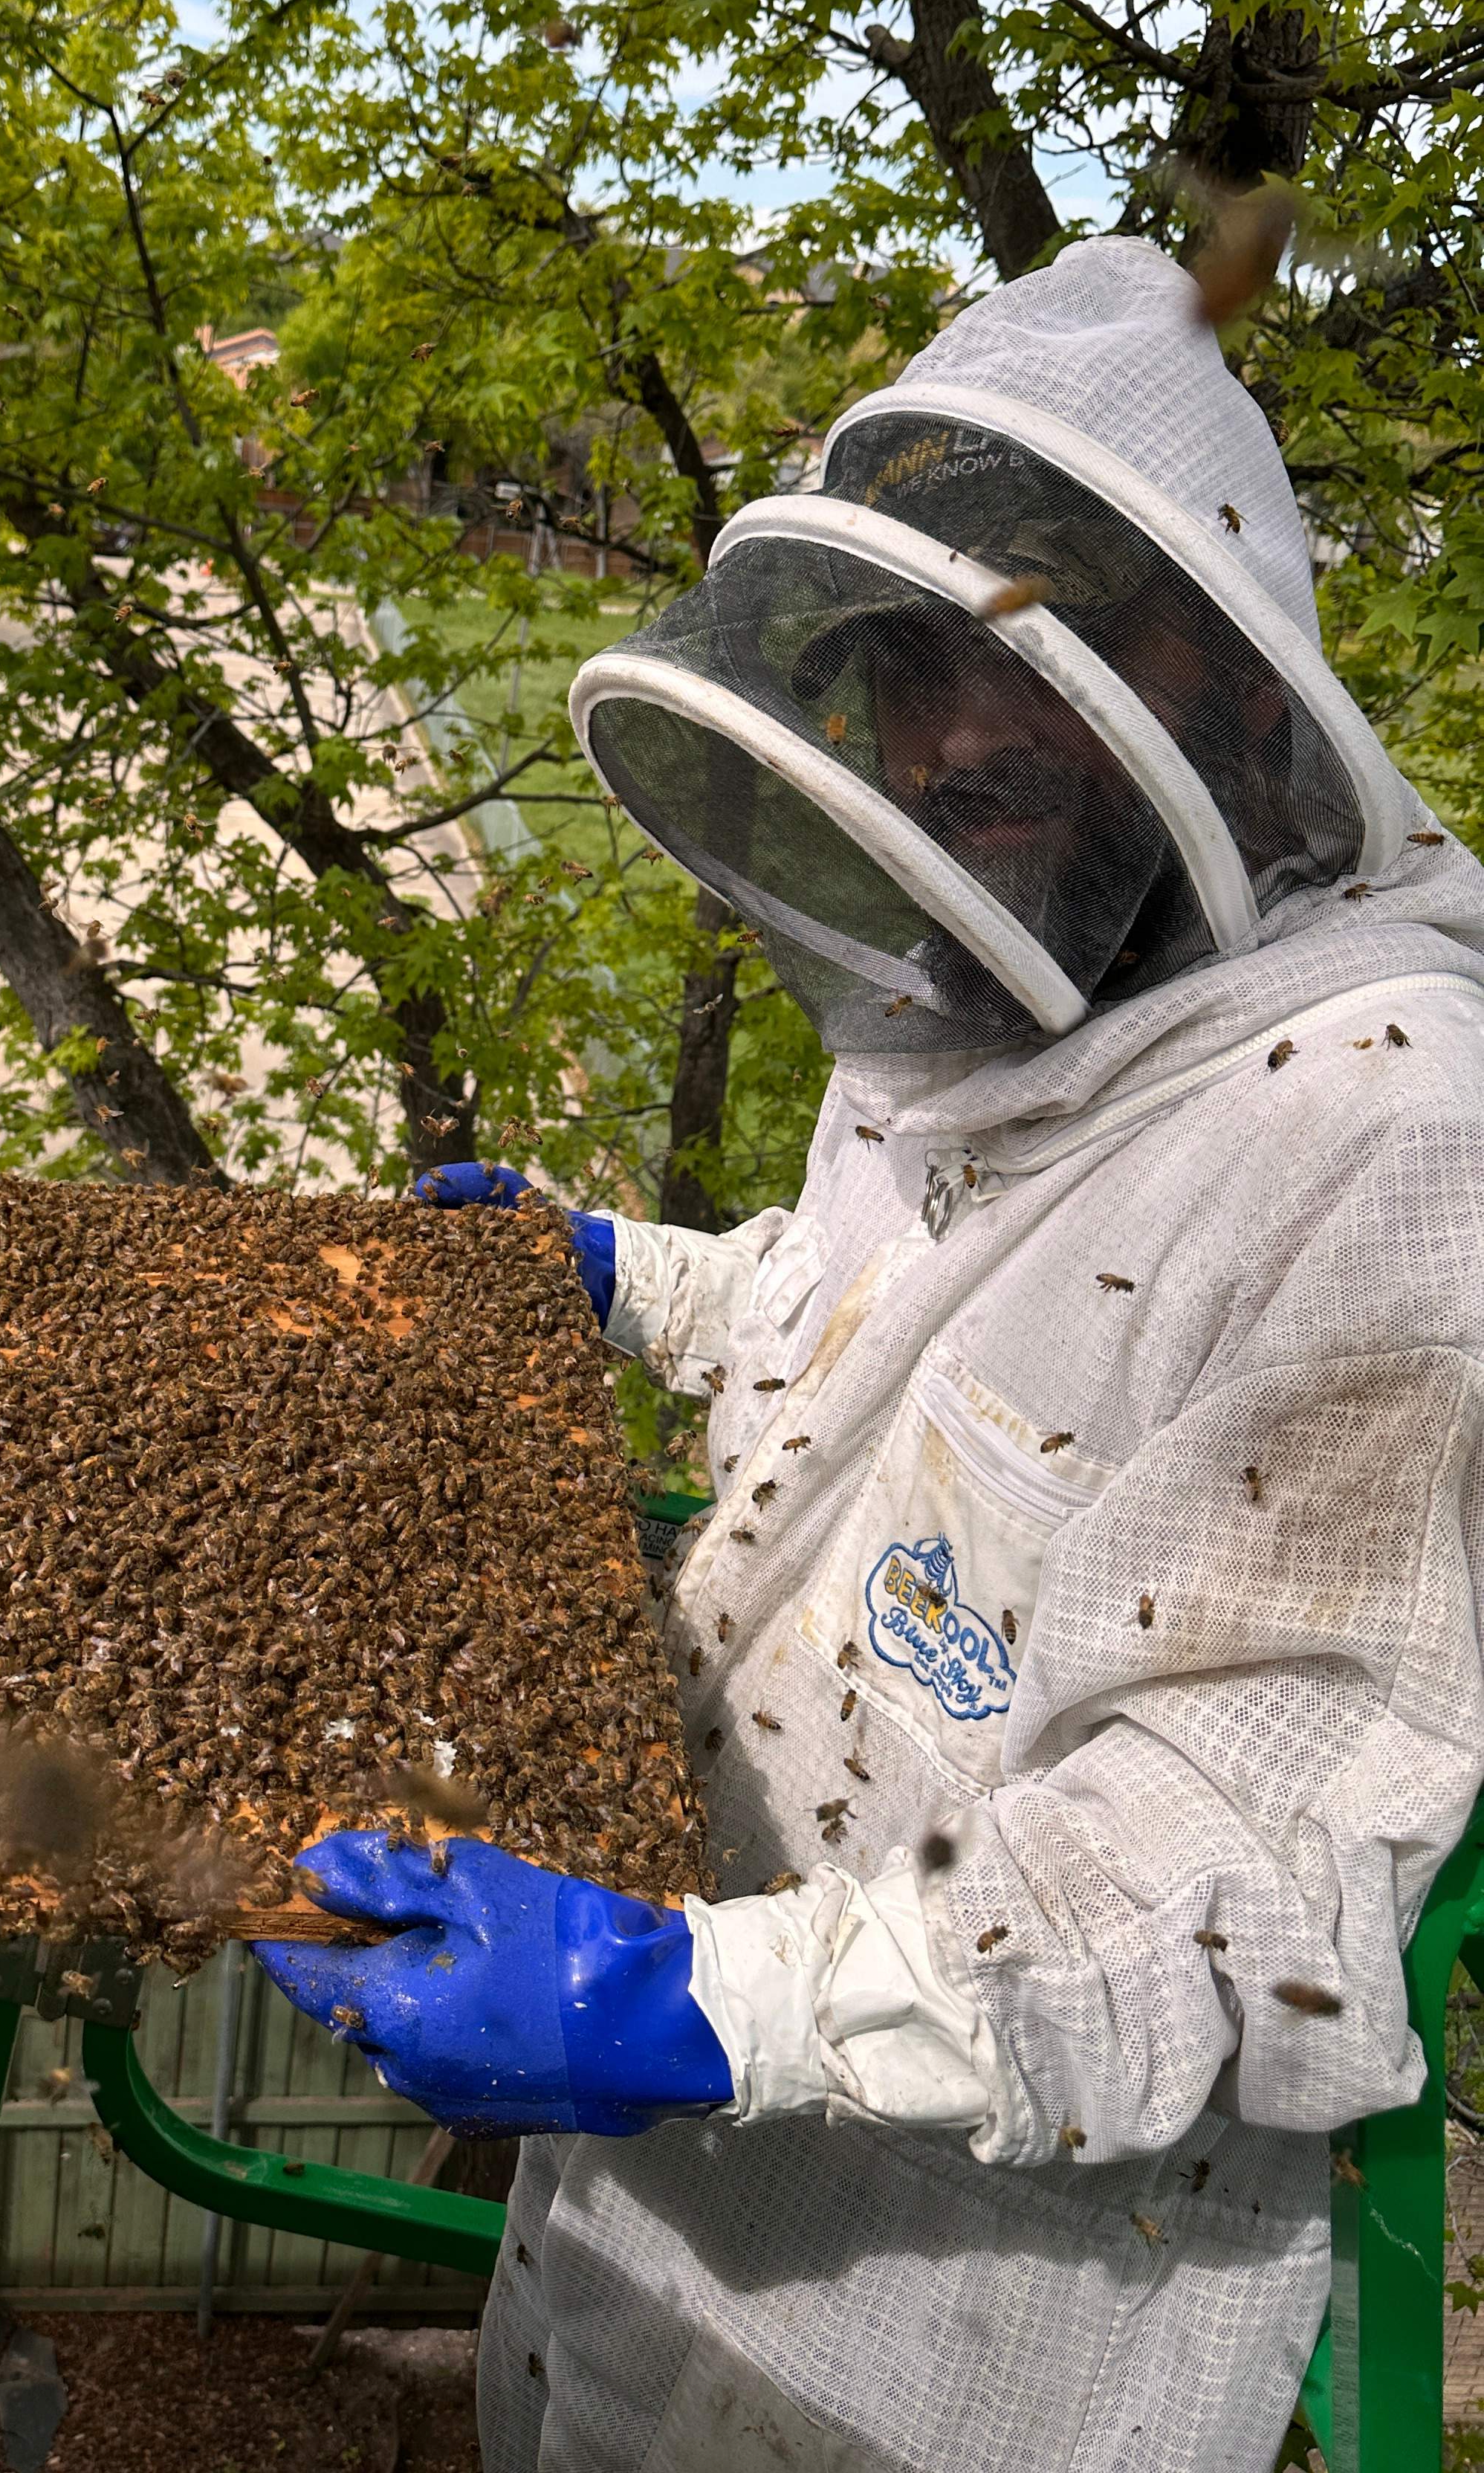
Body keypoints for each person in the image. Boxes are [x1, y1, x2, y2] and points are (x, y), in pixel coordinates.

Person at [253, 237, 1484, 2472]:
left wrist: (684, 2005)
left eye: (1045, 642)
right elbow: (899, 1356)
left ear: (1220, 674)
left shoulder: (1391, 1138)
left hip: (956, 2346)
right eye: (908, 659)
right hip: (632, 2241)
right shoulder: (983, 992)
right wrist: (633, 1279)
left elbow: (1240, 1893)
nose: (950, 729)